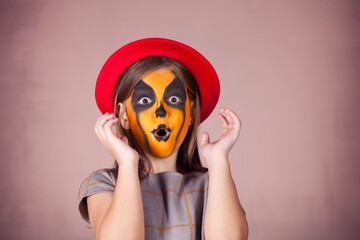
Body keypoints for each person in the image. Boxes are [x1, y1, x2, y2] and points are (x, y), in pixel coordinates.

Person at [78, 38, 248, 240]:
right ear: (124, 115)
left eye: (174, 100)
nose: (160, 112)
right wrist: (127, 163)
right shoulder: (105, 184)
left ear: (192, 113)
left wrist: (219, 160)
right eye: (144, 100)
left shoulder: (212, 183)